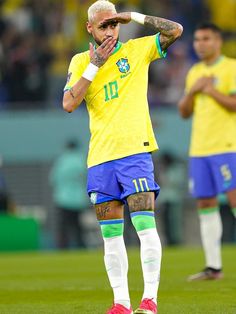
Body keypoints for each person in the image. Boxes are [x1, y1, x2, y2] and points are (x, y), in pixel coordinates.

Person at [63, 1, 183, 313]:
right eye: (104, 25)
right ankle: (121, 303)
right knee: (112, 238)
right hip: (101, 159)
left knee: (145, 227)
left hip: (135, 153)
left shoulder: (137, 50)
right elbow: (68, 103)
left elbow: (176, 31)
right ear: (90, 28)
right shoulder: (80, 61)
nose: (110, 31)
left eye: (115, 24)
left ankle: (150, 300)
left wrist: (135, 17)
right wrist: (95, 65)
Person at [178, 22, 236, 281]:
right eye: (197, 39)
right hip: (199, 149)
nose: (200, 44)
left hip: (227, 146)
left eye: (206, 39)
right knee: (205, 203)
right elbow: (183, 112)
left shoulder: (231, 68)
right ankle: (213, 267)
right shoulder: (194, 72)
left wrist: (210, 90)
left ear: (218, 41)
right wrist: (193, 90)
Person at [49, 140, 88, 249]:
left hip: (62, 199)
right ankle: (81, 247)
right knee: (78, 227)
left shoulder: (61, 160)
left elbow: (52, 180)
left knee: (63, 227)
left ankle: (62, 247)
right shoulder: (81, 160)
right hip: (78, 200)